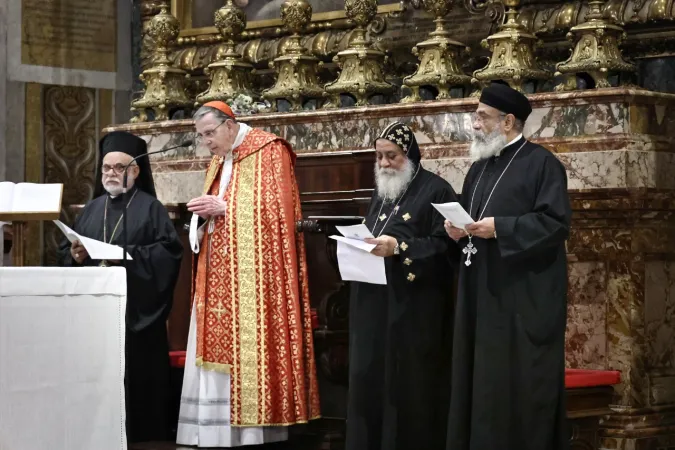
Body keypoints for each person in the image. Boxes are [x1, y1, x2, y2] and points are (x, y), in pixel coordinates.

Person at [177, 101, 320, 447]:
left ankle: (252, 432)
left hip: (254, 281)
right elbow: (210, 207)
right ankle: (211, 431)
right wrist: (199, 223)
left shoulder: (269, 151)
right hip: (215, 275)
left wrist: (224, 208)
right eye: (201, 136)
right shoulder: (217, 160)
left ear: (230, 125)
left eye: (210, 133)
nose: (206, 142)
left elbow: (279, 213)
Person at [444, 83, 572, 450]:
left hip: (520, 304)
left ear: (508, 121)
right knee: (479, 386)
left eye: (482, 116)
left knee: (514, 391)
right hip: (480, 297)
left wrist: (501, 228)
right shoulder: (478, 169)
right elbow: (472, 221)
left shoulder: (542, 164)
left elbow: (555, 224)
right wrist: (458, 231)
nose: (475, 123)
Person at [57, 131, 184, 443]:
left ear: (135, 171)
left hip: (135, 312)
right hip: (95, 312)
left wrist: (125, 257)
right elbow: (66, 250)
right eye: (105, 168)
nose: (110, 174)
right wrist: (74, 254)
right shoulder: (91, 208)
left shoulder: (150, 208)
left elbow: (168, 254)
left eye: (118, 168)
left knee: (136, 381)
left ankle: (141, 435)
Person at [347, 122, 458, 450]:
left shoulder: (436, 190)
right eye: (379, 156)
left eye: (391, 156)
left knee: (410, 390)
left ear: (408, 155)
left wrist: (400, 248)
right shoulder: (382, 192)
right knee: (372, 385)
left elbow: (446, 246)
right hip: (375, 306)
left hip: (414, 309)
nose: (383, 164)